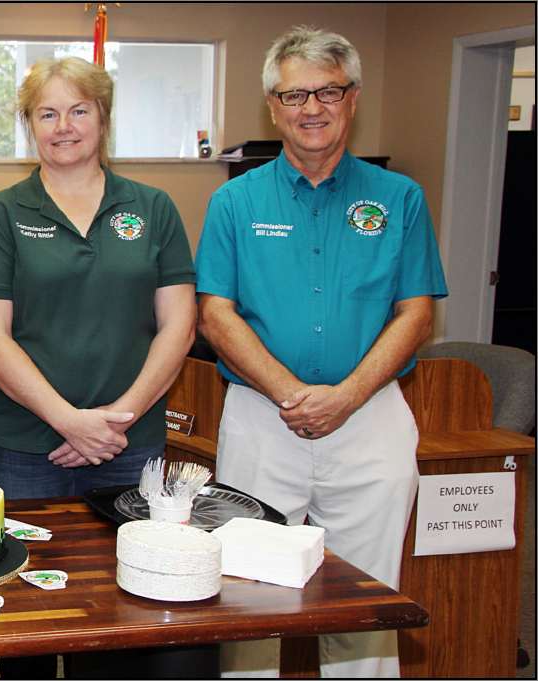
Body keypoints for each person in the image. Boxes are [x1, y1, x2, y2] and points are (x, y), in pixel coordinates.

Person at [195, 26, 448, 678]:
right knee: (247, 596)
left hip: (370, 420)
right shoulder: (234, 202)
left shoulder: (400, 198)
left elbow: (416, 313)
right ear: (273, 107)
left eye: (328, 91)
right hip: (262, 420)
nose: (312, 108)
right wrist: (292, 394)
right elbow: (215, 315)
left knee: (365, 599)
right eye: (295, 95)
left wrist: (346, 396)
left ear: (353, 98)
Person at [0, 57, 201, 678]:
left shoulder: (153, 208)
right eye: (47, 113)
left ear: (103, 118)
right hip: (23, 448)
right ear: (29, 125)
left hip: (127, 444)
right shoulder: (2, 214)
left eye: (78, 110)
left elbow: (179, 326)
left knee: (117, 613)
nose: (63, 126)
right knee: (28, 620)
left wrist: (114, 420)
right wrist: (69, 421)